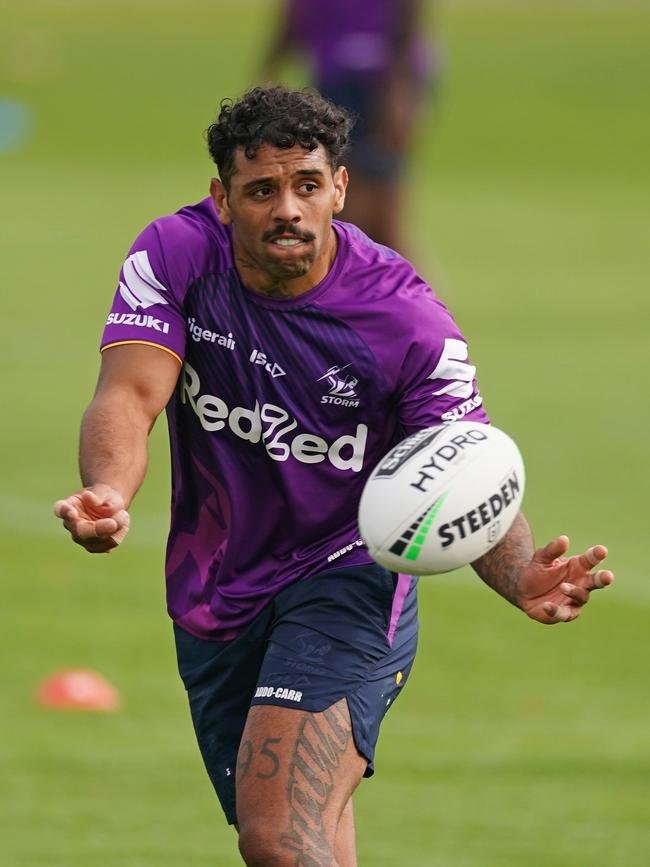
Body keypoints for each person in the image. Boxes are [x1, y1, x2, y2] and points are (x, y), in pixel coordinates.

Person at [54, 85, 613, 867]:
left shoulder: (403, 318)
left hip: (346, 579)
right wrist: (109, 492)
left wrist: (520, 572)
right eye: (262, 190)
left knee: (279, 837)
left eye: (308, 185)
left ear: (339, 188)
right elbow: (129, 393)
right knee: (309, 840)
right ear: (222, 199)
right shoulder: (174, 255)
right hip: (216, 590)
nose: (288, 208)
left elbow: (466, 463)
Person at [262, 0, 436, 252]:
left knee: (374, 220)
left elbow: (408, 14)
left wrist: (400, 87)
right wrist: (270, 71)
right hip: (334, 77)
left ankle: (413, 290)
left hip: (379, 82)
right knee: (344, 214)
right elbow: (295, 15)